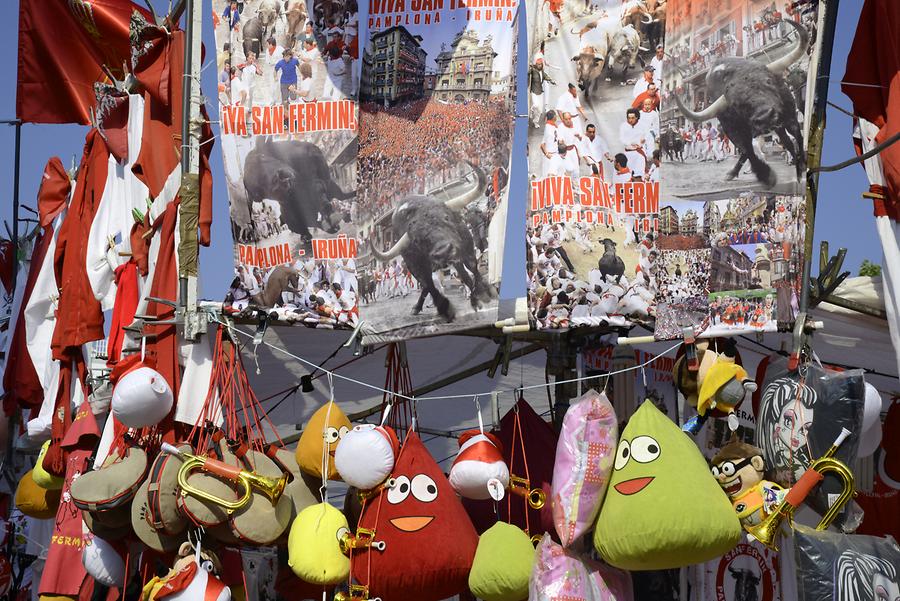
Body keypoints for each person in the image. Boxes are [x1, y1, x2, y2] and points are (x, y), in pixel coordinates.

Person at [529, 54, 555, 128]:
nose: (539, 66)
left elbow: (545, 76)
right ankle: (532, 110)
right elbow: (528, 74)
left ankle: (535, 122)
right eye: (538, 64)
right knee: (536, 105)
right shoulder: (533, 70)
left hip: (540, 92)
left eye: (540, 64)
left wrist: (551, 80)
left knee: (539, 110)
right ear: (536, 64)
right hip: (534, 91)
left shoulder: (542, 71)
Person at [619, 108, 647, 178]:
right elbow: (622, 139)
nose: (630, 120)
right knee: (628, 175)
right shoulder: (624, 126)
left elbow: (646, 138)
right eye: (628, 118)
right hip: (628, 153)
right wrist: (630, 143)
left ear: (637, 117)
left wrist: (641, 143)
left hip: (639, 153)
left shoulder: (642, 126)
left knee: (639, 175)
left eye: (632, 118)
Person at [541, 110, 561, 178]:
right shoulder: (548, 127)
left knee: (555, 177)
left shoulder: (554, 126)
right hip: (549, 156)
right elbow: (542, 144)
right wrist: (547, 154)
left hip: (555, 154)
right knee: (547, 178)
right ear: (554, 117)